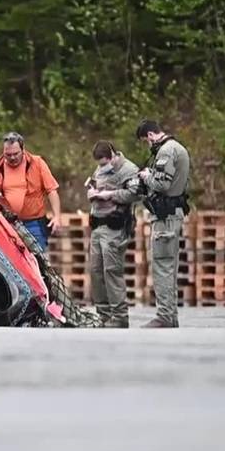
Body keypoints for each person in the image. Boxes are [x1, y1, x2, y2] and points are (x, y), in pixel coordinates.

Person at [136, 119, 191, 329]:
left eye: (145, 141)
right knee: (169, 266)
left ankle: (165, 316)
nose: (147, 145)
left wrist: (147, 176)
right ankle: (170, 316)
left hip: (165, 218)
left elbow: (162, 183)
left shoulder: (167, 151)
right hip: (172, 215)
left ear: (150, 135)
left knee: (162, 266)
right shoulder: (178, 148)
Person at [86, 141, 140, 328]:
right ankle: (103, 314)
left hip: (114, 227)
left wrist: (109, 195)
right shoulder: (99, 169)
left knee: (111, 270)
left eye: (104, 163)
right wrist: (93, 193)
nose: (101, 167)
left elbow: (135, 193)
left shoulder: (128, 170)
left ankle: (119, 315)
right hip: (97, 225)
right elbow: (95, 184)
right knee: (95, 270)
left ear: (112, 156)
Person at [0, 132, 61, 250]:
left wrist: (57, 216)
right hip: (6, 224)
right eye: (8, 155)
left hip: (34, 223)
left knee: (38, 260)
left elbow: (52, 190)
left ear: (23, 149)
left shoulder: (37, 163)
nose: (12, 157)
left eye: (16, 154)